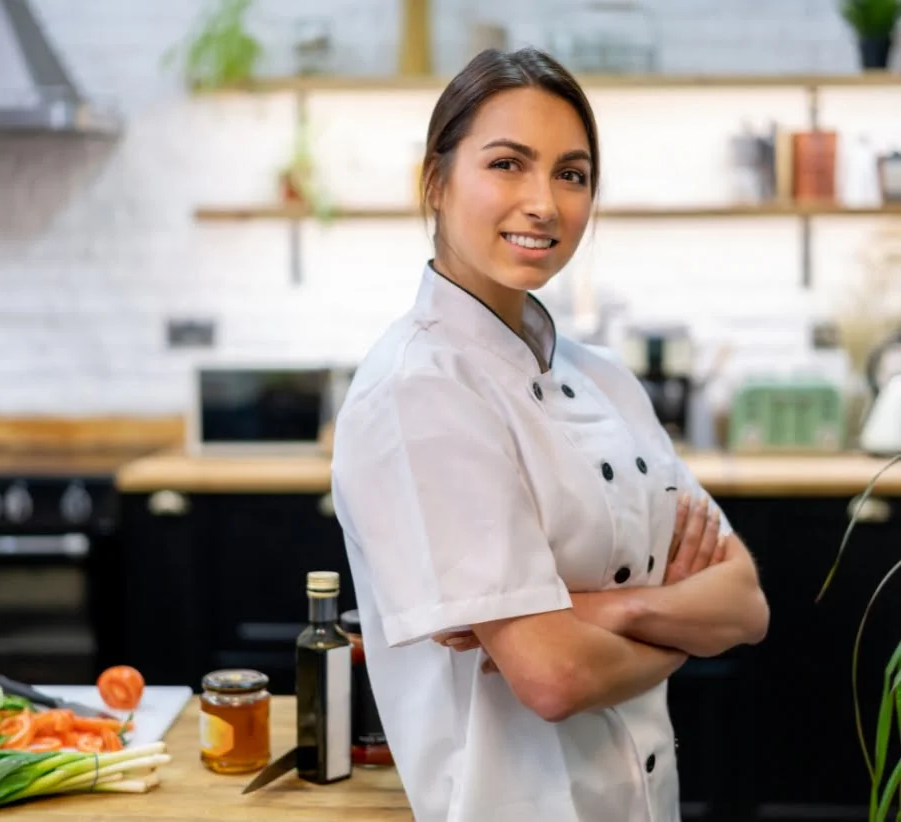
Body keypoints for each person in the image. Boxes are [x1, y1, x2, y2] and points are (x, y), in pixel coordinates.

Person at [329, 46, 770, 822]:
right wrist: (669, 611)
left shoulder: (607, 379)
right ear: (433, 182)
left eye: (572, 174)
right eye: (507, 164)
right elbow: (553, 679)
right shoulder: (419, 390)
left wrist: (602, 612)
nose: (544, 202)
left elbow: (745, 606)